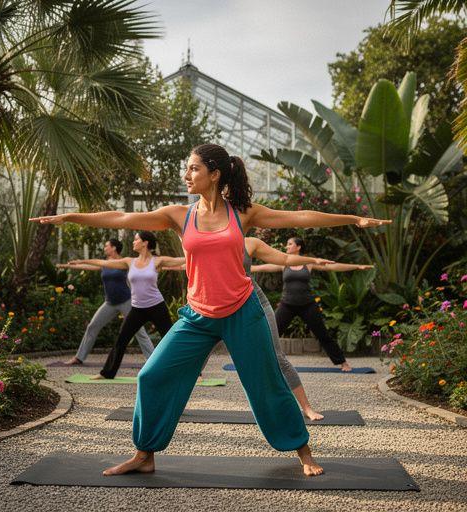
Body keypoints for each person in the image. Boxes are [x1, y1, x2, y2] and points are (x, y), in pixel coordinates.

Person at [31, 142, 389, 478]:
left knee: (266, 384)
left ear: (214, 174)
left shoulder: (244, 214)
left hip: (242, 312)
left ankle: (303, 452)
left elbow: (301, 216)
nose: (186, 176)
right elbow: (123, 217)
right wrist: (72, 218)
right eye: (187, 169)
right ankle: (145, 455)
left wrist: (353, 219)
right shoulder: (179, 215)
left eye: (193, 169)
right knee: (150, 376)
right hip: (198, 315)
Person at [165, 236, 337, 421]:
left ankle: (307, 408)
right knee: (199, 356)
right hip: (220, 307)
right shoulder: (207, 240)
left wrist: (312, 260)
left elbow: (285, 258)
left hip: (255, 303)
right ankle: (175, 405)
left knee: (277, 357)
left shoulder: (249, 242)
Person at [67, 231, 185, 379]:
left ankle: (193, 372)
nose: (133, 242)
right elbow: (104, 263)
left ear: (145, 243)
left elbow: (182, 259)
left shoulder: (157, 261)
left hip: (156, 306)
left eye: (136, 239)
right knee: (121, 340)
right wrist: (81, 262)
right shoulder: (129, 261)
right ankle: (107, 373)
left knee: (171, 339)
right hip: (137, 308)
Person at [252, 236, 374, 372]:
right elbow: (261, 267)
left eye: (290, 244)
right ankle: (257, 362)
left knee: (323, 335)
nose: (287, 246)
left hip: (307, 305)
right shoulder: (283, 263)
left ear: (298, 247)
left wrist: (356, 266)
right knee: (271, 333)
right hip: (287, 305)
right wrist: (244, 266)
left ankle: (342, 363)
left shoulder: (308, 263)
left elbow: (333, 266)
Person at [57, 239, 154, 366]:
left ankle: (153, 359)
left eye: (107, 246)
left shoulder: (123, 262)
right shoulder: (105, 263)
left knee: (138, 330)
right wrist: (68, 266)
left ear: (114, 248)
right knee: (92, 326)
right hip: (110, 303)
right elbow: (89, 266)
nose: (104, 248)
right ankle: (79, 358)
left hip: (126, 301)